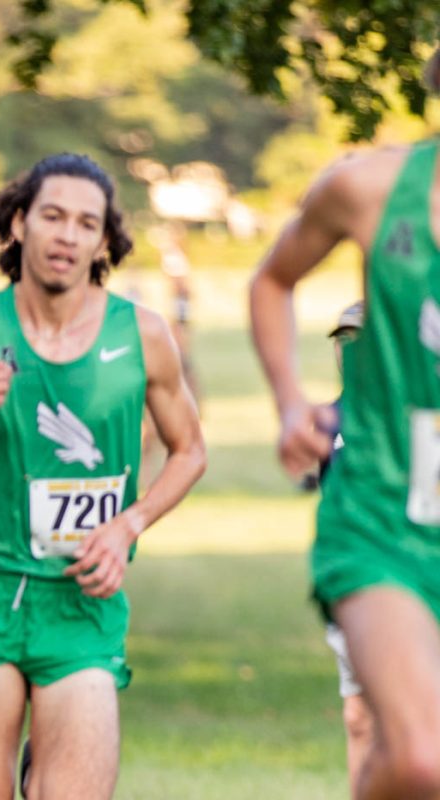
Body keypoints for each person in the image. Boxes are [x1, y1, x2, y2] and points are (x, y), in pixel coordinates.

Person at [0, 153, 206, 799]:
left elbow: (190, 450)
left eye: (86, 222)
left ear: (103, 240)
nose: (67, 234)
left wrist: (129, 524)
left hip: (81, 601)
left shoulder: (141, 334)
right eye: (52, 216)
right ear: (20, 223)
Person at [249, 48, 440, 800]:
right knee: (423, 758)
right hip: (380, 517)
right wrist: (292, 402)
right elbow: (272, 280)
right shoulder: (370, 186)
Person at [313, 301, 374, 797]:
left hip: (406, 583)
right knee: (358, 715)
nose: (349, 350)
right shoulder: (328, 421)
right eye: (343, 341)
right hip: (349, 583)